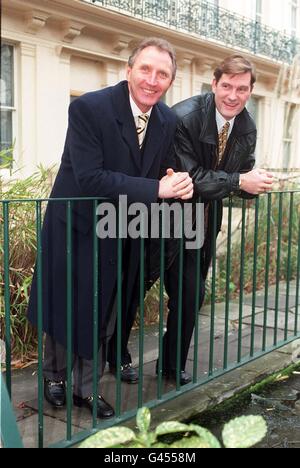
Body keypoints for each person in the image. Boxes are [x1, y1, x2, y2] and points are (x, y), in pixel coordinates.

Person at [27, 37, 194, 419]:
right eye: (146, 70)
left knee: (105, 308)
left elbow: (159, 168)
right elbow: (90, 178)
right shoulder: (89, 107)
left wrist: (174, 180)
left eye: (163, 74)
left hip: (122, 228)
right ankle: (54, 378)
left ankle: (87, 389)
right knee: (66, 305)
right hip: (76, 223)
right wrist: (157, 188)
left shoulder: (166, 119)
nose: (153, 80)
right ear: (129, 69)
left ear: (170, 81)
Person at [160, 55, 274, 384]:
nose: (232, 95)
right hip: (160, 217)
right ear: (214, 84)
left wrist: (257, 185)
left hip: (203, 221)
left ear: (250, 91)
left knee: (191, 294)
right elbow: (191, 176)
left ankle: (171, 365)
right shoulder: (184, 116)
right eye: (226, 86)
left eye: (241, 88)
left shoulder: (247, 126)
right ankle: (117, 358)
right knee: (133, 287)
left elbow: (242, 175)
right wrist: (240, 182)